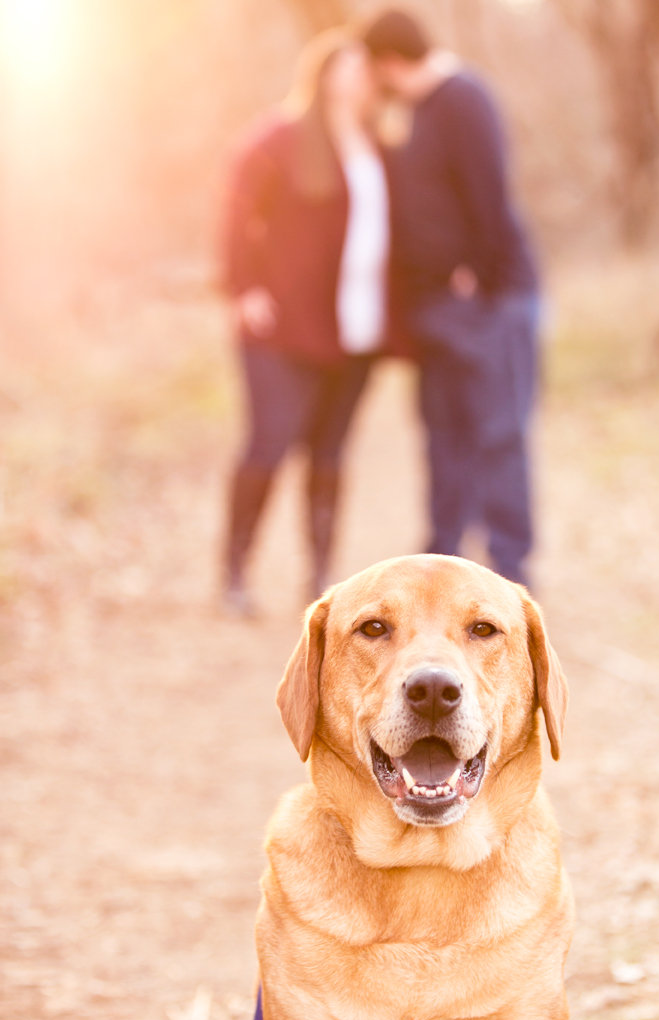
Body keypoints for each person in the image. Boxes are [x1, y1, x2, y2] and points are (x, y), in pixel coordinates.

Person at [361, 9, 539, 588]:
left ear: (389, 62)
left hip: (486, 302)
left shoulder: (464, 96)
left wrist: (479, 275)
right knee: (444, 435)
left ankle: (509, 565)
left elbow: (490, 192)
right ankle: (442, 558)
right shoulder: (416, 110)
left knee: (498, 433)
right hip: (434, 308)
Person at [221, 31, 391, 615]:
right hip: (285, 328)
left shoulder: (375, 141)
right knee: (269, 445)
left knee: (330, 453)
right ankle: (235, 572)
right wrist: (243, 285)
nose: (358, 75)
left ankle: (321, 580)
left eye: (363, 67)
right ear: (322, 73)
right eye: (347, 65)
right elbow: (236, 204)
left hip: (357, 329)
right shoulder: (279, 136)